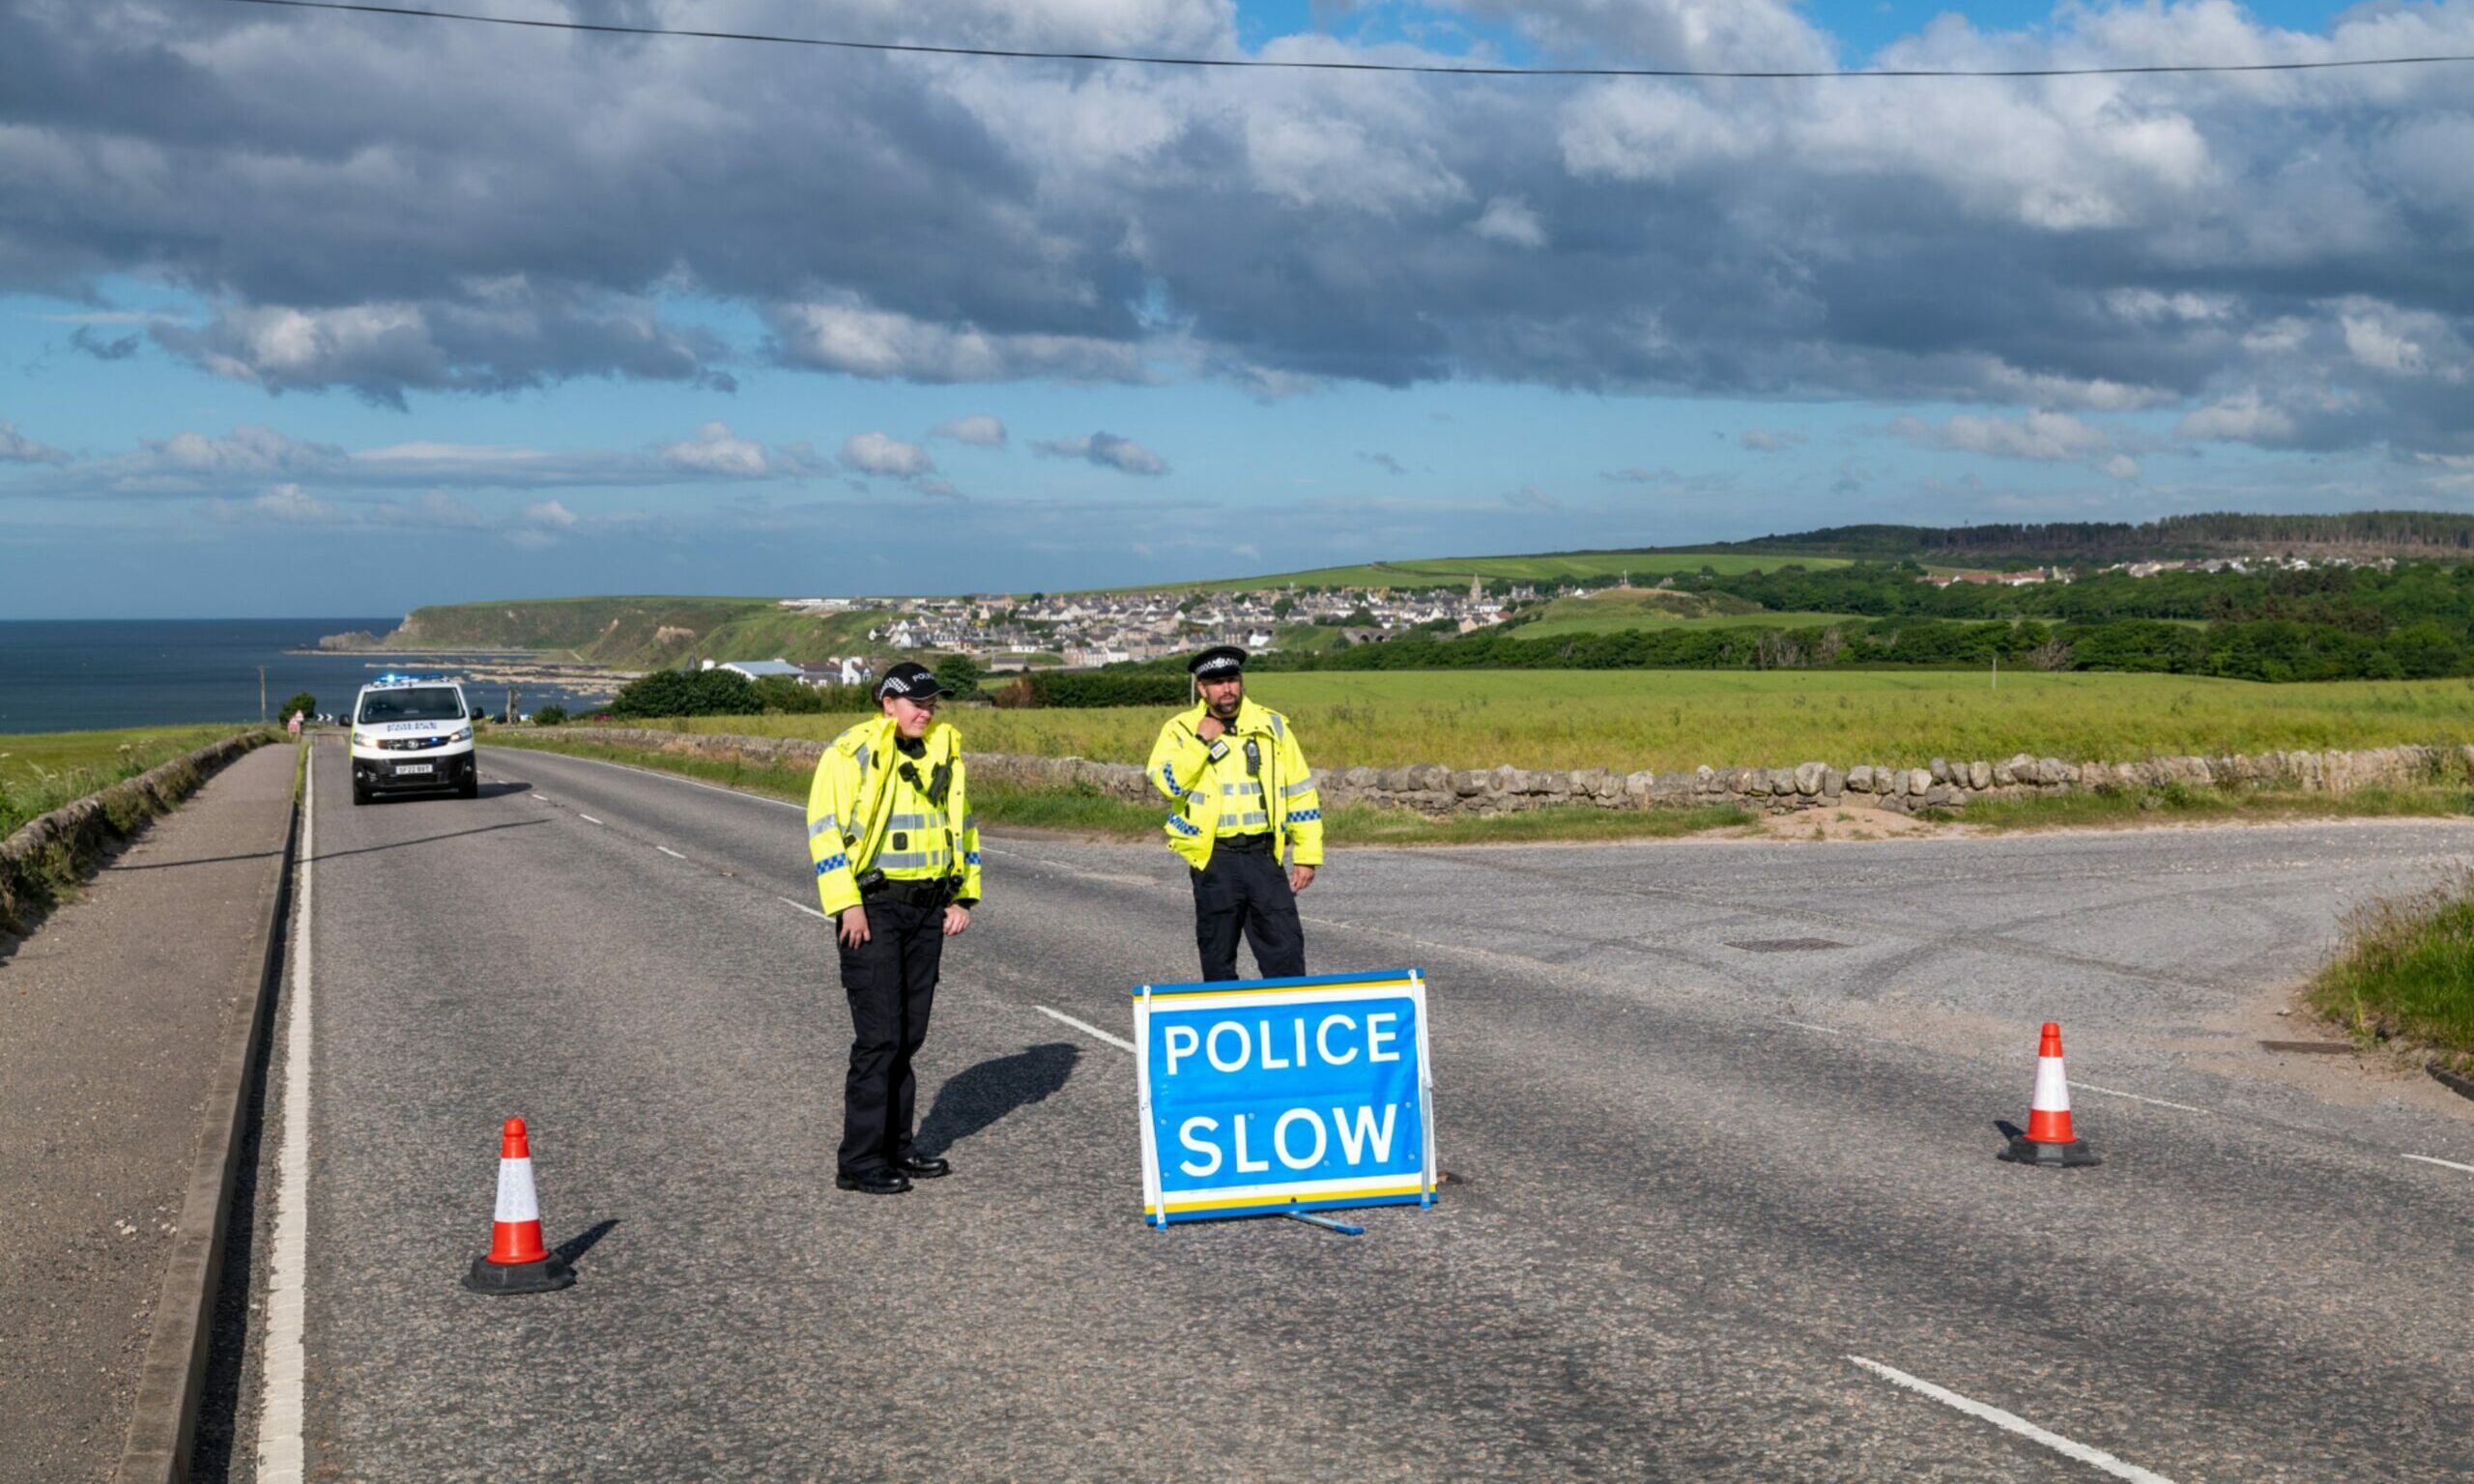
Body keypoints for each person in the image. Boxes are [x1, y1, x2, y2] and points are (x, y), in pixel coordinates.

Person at [807, 661, 982, 1195]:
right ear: (887, 702)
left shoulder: (944, 749)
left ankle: (898, 1148)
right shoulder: (850, 751)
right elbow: (824, 831)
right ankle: (859, 1162)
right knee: (879, 1038)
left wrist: (963, 893)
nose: (926, 711)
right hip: (874, 906)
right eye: (916, 702)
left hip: (928, 907)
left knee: (908, 1036)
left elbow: (963, 825)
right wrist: (847, 904)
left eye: (933, 703)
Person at [1146, 645, 1324, 982]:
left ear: (1241, 682)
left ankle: (1284, 1028)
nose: (1226, 689)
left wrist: (1307, 853)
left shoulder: (1273, 726)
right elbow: (1169, 784)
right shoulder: (1180, 729)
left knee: (1286, 955)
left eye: (1231, 680)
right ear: (1202, 689)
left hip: (1264, 857)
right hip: (1214, 860)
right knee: (1218, 960)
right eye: (1216, 683)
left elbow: (1301, 792)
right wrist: (1201, 741)